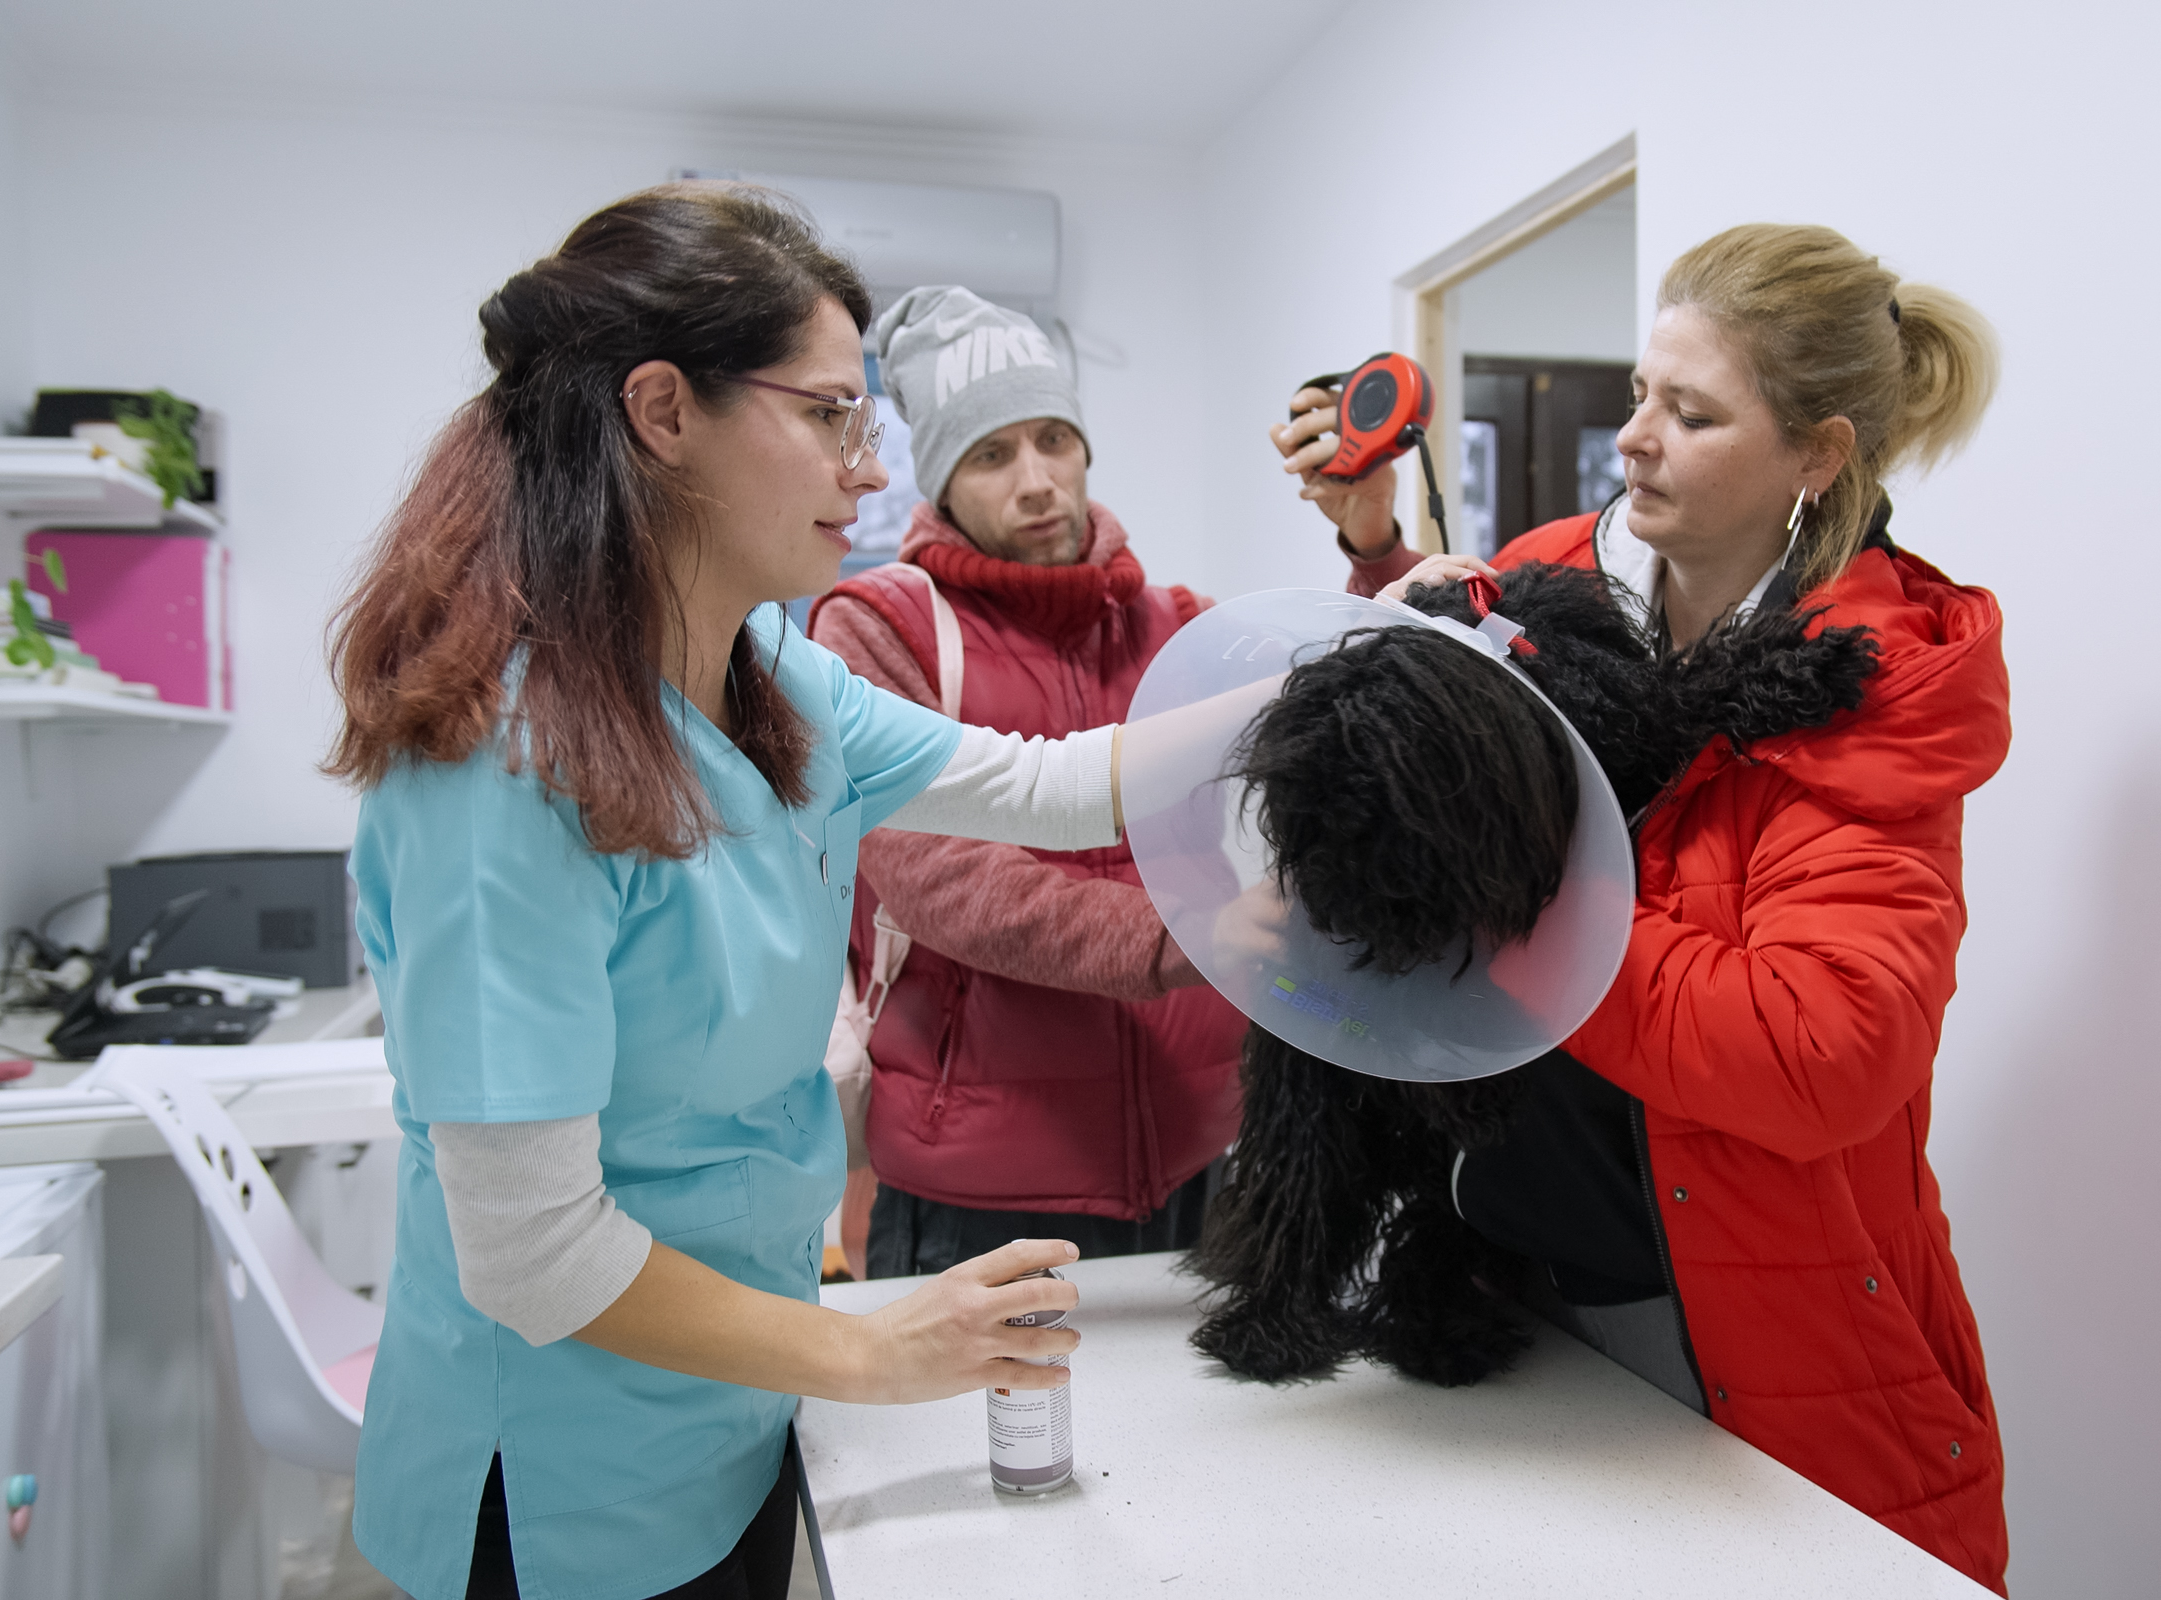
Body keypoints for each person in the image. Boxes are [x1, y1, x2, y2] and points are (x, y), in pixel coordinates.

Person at [324, 184, 1132, 1600]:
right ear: (662, 410)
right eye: (829, 416)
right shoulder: (499, 767)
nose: (868, 470)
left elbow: (1054, 785)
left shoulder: (768, 674)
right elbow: (534, 1255)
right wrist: (878, 1351)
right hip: (566, 1484)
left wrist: (1342, 669)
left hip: (736, 1413)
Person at [1271, 223, 2011, 1591]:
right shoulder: (1556, 573)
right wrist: (1390, 577)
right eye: (1636, 396)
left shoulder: (1876, 687)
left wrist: (1510, 883)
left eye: (1693, 413)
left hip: (1726, 1327)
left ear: (1818, 455)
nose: (1633, 441)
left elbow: (1818, 1056)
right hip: (1508, 1282)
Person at [807, 287, 1244, 1280]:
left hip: (1201, 1152)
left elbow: (1315, 742)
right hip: (983, 1188)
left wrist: (1375, 559)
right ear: (942, 485)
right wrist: (1176, 939)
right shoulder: (880, 627)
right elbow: (941, 878)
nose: (1039, 480)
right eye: (994, 454)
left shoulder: (1178, 624)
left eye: (1055, 438)